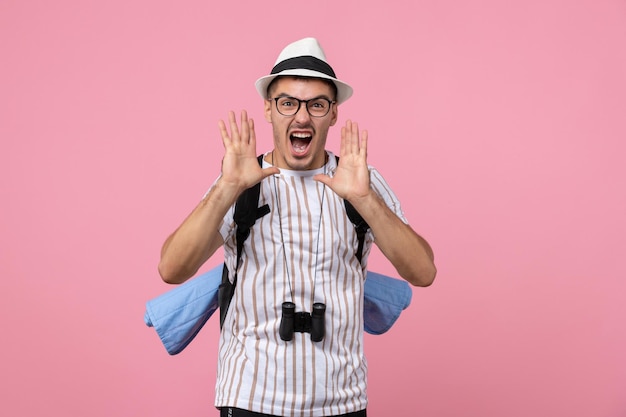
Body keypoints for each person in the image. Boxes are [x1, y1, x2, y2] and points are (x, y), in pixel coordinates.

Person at [158, 37, 436, 417]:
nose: (301, 117)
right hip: (250, 398)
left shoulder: (360, 180)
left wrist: (365, 199)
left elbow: (422, 272)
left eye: (316, 105)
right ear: (269, 110)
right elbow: (172, 269)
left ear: (333, 113)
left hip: (341, 401)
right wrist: (227, 187)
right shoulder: (240, 181)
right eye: (288, 103)